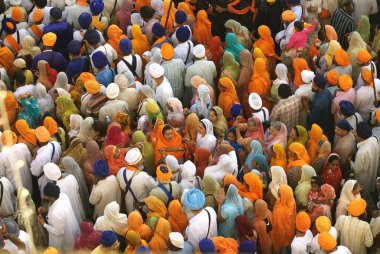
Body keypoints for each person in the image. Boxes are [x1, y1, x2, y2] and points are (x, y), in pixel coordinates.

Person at [37, 182, 80, 252]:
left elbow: (58, 232)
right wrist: (48, 209)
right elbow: (57, 206)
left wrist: (43, 224)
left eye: (45, 195)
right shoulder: (63, 195)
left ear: (52, 197)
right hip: (69, 227)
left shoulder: (56, 214)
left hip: (62, 239)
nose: (43, 197)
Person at [116, 148, 157, 214]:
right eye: (141, 160)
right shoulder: (143, 176)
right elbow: (154, 187)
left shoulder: (121, 171)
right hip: (142, 208)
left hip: (128, 206)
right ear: (138, 163)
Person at [353, 122, 379, 207]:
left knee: (363, 193)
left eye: (356, 132)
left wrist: (350, 161)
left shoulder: (361, 152)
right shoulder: (374, 139)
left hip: (363, 178)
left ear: (359, 136)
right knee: (369, 189)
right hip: (373, 170)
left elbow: (357, 169)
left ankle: (365, 207)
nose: (354, 133)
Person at [307, 74, 334, 142]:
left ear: (318, 88)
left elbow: (313, 119)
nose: (311, 86)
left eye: (313, 85)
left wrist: (307, 108)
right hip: (327, 122)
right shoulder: (327, 91)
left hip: (320, 127)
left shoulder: (317, 104)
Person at [272, 185, 297, 252]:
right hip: (290, 232)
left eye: (279, 193)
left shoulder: (279, 210)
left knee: (283, 249)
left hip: (281, 236)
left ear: (283, 195)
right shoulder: (292, 201)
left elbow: (276, 227)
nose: (278, 194)